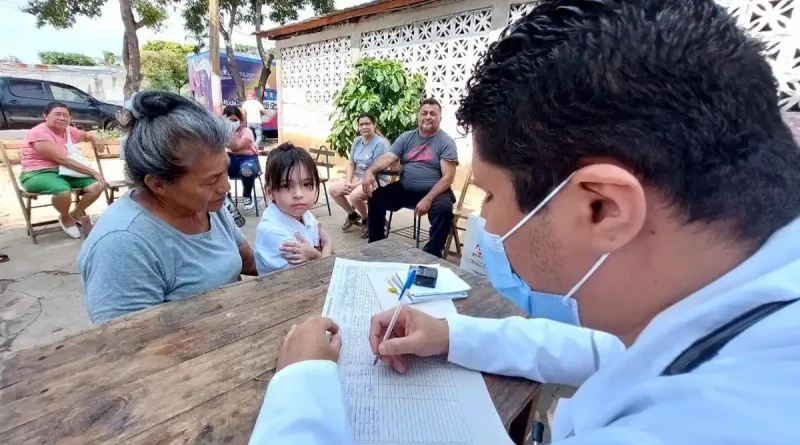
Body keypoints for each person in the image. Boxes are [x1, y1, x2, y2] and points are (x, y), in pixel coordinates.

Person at [247, 1, 800, 444]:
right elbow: (602, 350)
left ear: (602, 207)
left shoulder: (709, 424)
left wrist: (303, 388)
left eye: (491, 194)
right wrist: (449, 333)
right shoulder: (731, 300)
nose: (484, 216)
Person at [78, 91, 258, 324]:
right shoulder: (122, 246)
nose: (226, 187)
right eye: (211, 180)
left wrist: (307, 254)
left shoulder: (207, 205)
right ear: (158, 184)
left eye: (224, 170)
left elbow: (248, 261)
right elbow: (128, 348)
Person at [362, 98, 458, 258]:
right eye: (424, 113)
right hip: (405, 188)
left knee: (444, 210)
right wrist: (369, 172)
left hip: (435, 191)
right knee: (376, 198)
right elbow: (388, 157)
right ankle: (376, 246)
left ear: (440, 117)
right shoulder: (407, 137)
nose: (428, 117)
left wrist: (428, 199)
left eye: (433, 114)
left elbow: (448, 177)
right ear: (418, 116)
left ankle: (431, 256)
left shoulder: (446, 142)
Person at [19, 102, 108, 239]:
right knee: (62, 191)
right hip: (37, 173)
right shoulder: (38, 133)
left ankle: (76, 213)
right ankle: (65, 217)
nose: (62, 118)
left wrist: (93, 137)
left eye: (66, 115)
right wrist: (94, 172)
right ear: (45, 116)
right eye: (57, 114)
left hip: (65, 171)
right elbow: (62, 159)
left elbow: (85, 135)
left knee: (98, 185)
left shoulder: (69, 131)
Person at [254, 143, 333, 275]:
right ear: (269, 191)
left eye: (307, 184)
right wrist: (326, 248)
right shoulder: (274, 232)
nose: (298, 194)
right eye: (286, 186)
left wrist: (317, 253)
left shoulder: (303, 213)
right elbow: (317, 275)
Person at [328, 113, 390, 238]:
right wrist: (348, 182)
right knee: (334, 190)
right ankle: (353, 215)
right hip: (358, 176)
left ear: (374, 124)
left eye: (367, 124)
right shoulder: (357, 141)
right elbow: (351, 163)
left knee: (355, 195)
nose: (364, 127)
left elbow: (375, 169)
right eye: (361, 124)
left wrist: (354, 185)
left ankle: (367, 221)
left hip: (377, 179)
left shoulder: (380, 143)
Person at [223, 105, 260, 210]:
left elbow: (235, 147)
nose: (232, 122)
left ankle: (247, 196)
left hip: (247, 159)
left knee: (246, 170)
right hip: (230, 159)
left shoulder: (247, 132)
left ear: (240, 120)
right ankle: (224, 197)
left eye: (235, 120)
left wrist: (232, 131)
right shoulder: (221, 132)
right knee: (215, 170)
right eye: (229, 120)